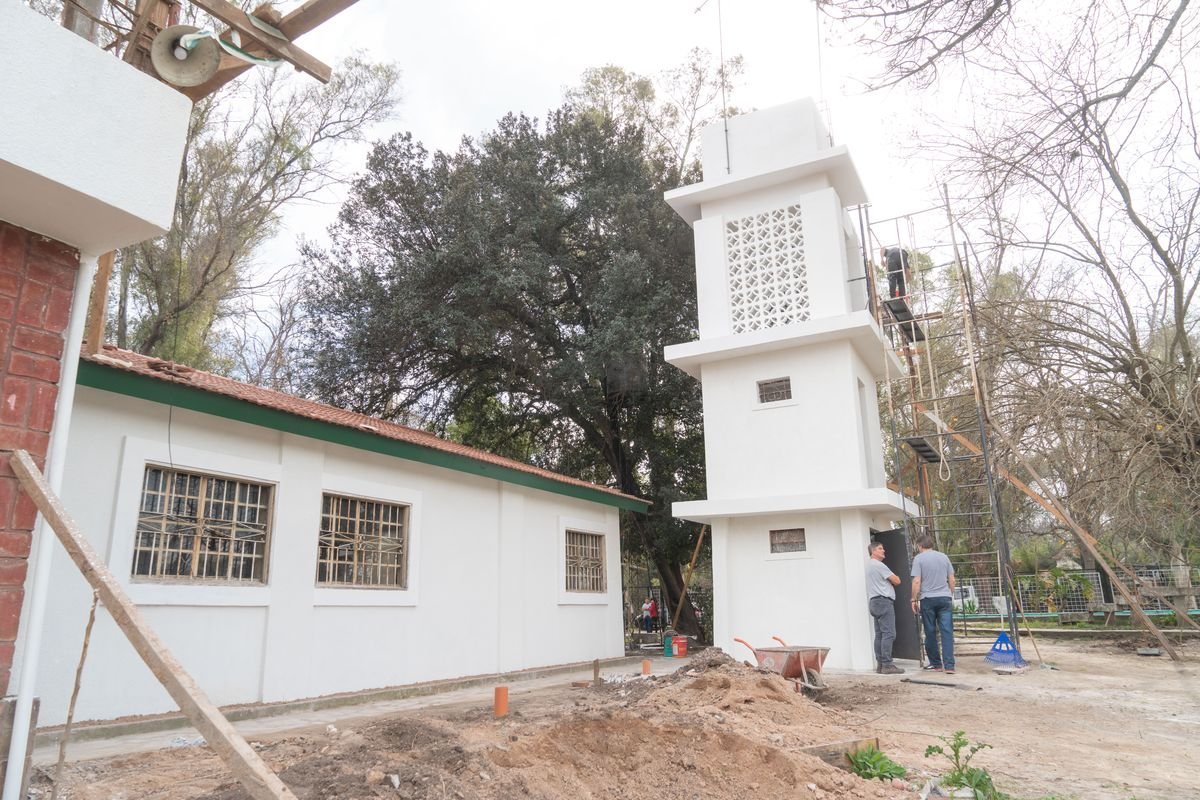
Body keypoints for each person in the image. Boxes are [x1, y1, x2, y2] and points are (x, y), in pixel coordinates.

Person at [911, 535, 956, 674]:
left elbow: (917, 581)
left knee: (930, 632)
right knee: (947, 632)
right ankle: (949, 666)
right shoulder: (944, 557)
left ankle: (936, 664)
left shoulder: (918, 559)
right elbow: (951, 579)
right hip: (944, 598)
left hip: (928, 599)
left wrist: (913, 599)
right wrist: (950, 593)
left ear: (920, 546)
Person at [867, 541, 904, 674]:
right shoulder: (879, 565)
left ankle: (880, 664)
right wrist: (893, 579)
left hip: (874, 602)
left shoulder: (869, 565)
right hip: (883, 601)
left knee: (879, 634)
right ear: (873, 551)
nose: (883, 551)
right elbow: (897, 580)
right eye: (880, 548)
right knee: (889, 634)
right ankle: (887, 665)